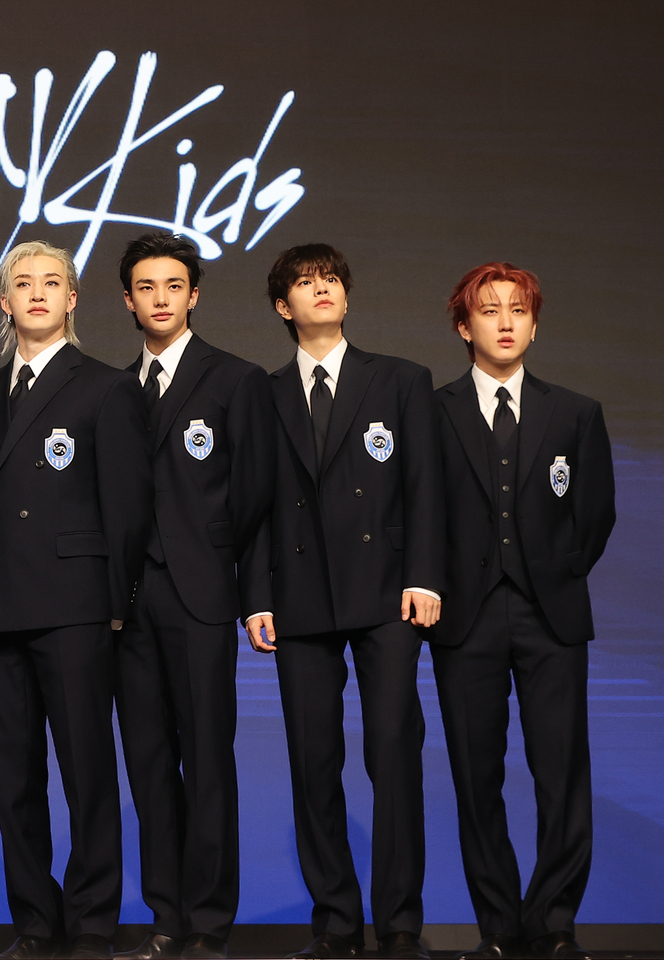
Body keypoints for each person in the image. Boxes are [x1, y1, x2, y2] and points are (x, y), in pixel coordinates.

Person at [240, 244, 444, 960]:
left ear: (346, 299)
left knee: (394, 752)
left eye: (330, 280)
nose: (321, 289)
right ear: (282, 307)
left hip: (388, 596)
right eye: (304, 282)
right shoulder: (261, 394)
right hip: (297, 599)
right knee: (311, 759)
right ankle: (334, 920)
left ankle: (399, 923)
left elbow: (425, 489)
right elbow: (255, 507)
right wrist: (256, 595)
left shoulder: (400, 380)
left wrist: (424, 577)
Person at [0, 240, 151, 960]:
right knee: (13, 779)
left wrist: (113, 606)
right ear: (4, 302)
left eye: (53, 282)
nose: (38, 293)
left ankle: (94, 924)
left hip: (77, 607)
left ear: (73, 300)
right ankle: (34, 926)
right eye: (23, 283)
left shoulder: (107, 387)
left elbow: (128, 510)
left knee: (87, 773)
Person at [430, 264, 615, 960]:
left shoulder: (576, 412)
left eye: (518, 310)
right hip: (465, 619)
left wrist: (559, 575)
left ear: (535, 324)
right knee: (476, 778)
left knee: (561, 774)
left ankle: (555, 921)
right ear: (463, 324)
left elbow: (594, 515)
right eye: (488, 309)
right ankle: (499, 927)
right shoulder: (435, 409)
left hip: (552, 617)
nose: (505, 321)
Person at [111, 233, 274, 960]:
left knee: (206, 758)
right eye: (146, 287)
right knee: (146, 762)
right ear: (127, 300)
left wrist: (229, 577)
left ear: (194, 295)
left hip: (202, 595)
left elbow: (255, 499)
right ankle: (165, 916)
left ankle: (208, 920)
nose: (160, 299)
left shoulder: (236, 380)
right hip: (126, 601)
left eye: (173, 286)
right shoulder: (113, 386)